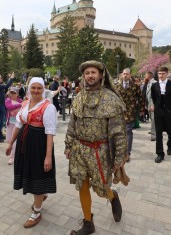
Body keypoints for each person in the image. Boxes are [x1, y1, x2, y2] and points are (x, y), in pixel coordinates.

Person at [65, 61, 127, 234]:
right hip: (79, 150)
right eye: (86, 73)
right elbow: (72, 125)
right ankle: (88, 223)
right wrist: (68, 144)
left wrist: (119, 158)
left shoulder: (111, 99)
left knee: (101, 190)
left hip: (100, 152)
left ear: (100, 75)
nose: (90, 75)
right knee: (82, 185)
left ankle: (113, 197)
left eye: (93, 72)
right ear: (83, 76)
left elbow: (119, 133)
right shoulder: (78, 98)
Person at [5, 77, 57, 228]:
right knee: (30, 173)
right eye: (33, 87)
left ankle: (37, 212)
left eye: (39, 88)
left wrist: (48, 157)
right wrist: (11, 143)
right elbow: (19, 124)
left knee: (37, 174)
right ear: (28, 89)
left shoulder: (48, 107)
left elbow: (50, 133)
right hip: (25, 143)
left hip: (39, 145)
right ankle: (41, 195)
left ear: (43, 89)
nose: (35, 90)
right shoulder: (25, 103)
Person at [150, 66, 171, 163]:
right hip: (158, 111)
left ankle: (170, 145)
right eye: (159, 73)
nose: (161, 75)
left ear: (166, 74)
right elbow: (154, 98)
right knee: (158, 133)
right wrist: (157, 107)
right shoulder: (154, 85)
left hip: (169, 112)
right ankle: (160, 153)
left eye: (162, 73)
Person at [116, 68, 144, 162]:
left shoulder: (135, 86)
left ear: (130, 75)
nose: (125, 75)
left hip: (130, 112)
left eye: (127, 74)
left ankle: (128, 153)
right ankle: (119, 152)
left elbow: (140, 97)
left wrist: (141, 109)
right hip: (118, 113)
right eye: (124, 74)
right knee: (119, 133)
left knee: (128, 132)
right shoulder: (116, 86)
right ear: (121, 75)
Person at [0, 73, 15, 142]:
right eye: (1, 78)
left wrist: (5, 95)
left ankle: (0, 134)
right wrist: (11, 78)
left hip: (2, 104)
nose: (1, 79)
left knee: (1, 121)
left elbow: (3, 91)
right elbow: (6, 86)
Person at [5, 87, 23, 165]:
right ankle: (16, 153)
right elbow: (9, 107)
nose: (12, 94)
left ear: (17, 94)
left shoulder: (20, 100)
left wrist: (20, 104)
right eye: (11, 93)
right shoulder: (8, 100)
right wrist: (20, 105)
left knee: (14, 140)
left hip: (17, 124)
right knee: (9, 140)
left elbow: (23, 108)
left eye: (14, 93)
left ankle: (12, 157)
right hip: (10, 123)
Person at [145, 72, 157, 141]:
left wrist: (152, 105)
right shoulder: (149, 83)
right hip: (149, 103)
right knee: (152, 119)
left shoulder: (154, 83)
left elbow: (154, 96)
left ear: (148, 76)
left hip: (152, 104)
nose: (145, 76)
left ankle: (154, 135)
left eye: (145, 75)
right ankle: (153, 131)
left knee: (153, 120)